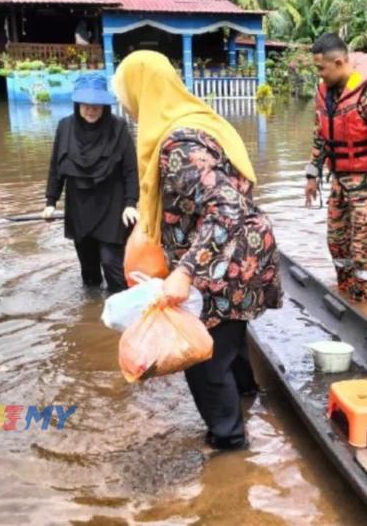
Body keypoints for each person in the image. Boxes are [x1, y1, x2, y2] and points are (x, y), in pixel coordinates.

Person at [112, 50, 283, 451]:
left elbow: (226, 207)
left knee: (204, 361)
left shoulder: (176, 145)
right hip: (246, 253)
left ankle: (229, 445)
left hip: (223, 261)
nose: (123, 103)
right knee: (231, 342)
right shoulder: (199, 121)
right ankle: (247, 401)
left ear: (141, 90)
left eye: (124, 92)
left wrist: (185, 271)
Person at [303, 33, 367, 303]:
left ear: (338, 62)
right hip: (338, 183)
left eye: (321, 68)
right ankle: (346, 301)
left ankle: (365, 309)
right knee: (336, 244)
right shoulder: (324, 94)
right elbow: (320, 136)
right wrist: (312, 173)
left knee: (362, 252)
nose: (319, 75)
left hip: (366, 187)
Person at [42, 74, 139, 293]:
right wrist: (51, 201)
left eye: (97, 105)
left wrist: (131, 203)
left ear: (105, 105)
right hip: (79, 206)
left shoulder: (118, 128)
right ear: (78, 104)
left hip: (112, 205)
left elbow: (131, 170)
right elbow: (55, 167)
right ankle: (92, 310)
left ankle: (120, 310)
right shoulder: (65, 127)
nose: (91, 110)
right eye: (86, 105)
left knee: (111, 263)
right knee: (88, 269)